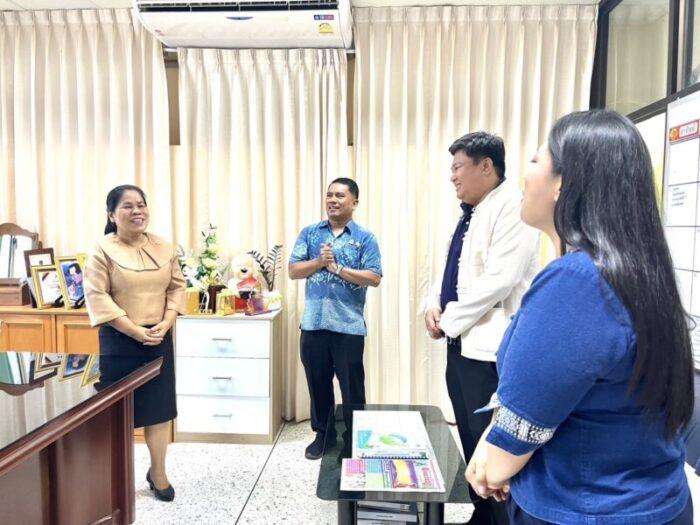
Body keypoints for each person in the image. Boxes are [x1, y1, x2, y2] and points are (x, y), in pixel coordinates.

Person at [466, 110, 694, 524]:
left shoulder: (577, 281)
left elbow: (505, 454)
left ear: (563, 183)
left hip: (587, 507)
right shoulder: (636, 269)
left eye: (536, 159)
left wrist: (494, 460)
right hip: (650, 501)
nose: (524, 174)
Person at [424, 132, 539, 524]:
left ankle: (502, 518)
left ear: (486, 166)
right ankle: (483, 515)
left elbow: (499, 281)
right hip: (460, 344)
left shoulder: (512, 208)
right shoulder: (469, 213)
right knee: (470, 437)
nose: (452, 176)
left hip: (490, 352)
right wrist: (432, 305)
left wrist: (448, 320)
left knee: (493, 448)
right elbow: (448, 269)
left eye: (458, 167)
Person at [84, 184, 185, 502]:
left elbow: (176, 287)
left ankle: (158, 472)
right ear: (112, 214)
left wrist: (167, 322)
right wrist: (133, 330)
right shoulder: (101, 249)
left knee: (159, 409)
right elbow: (97, 296)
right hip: (119, 339)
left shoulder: (164, 247)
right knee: (118, 414)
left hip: (158, 337)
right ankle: (114, 477)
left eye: (141, 204)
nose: (136, 211)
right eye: (127, 206)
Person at [289, 177, 382, 460]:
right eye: (329, 195)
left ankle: (354, 439)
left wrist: (337, 268)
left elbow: (374, 277)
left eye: (340, 195)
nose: (332, 200)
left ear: (354, 202)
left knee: (352, 387)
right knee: (317, 384)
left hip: (348, 326)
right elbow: (294, 270)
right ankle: (324, 435)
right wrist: (319, 263)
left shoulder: (365, 238)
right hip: (314, 324)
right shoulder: (310, 233)